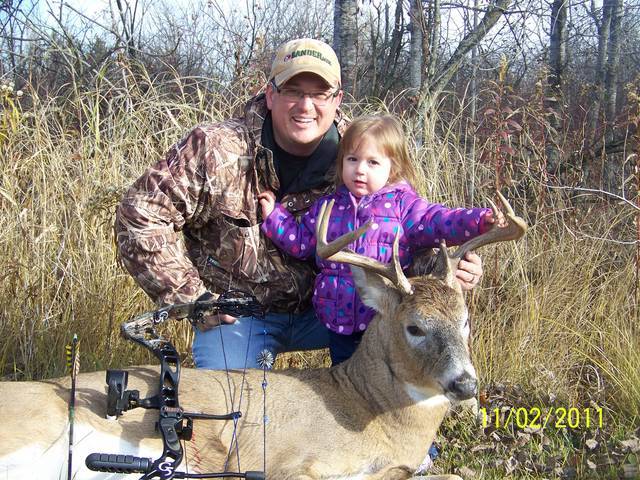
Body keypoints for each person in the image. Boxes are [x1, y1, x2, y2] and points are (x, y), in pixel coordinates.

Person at [114, 38, 485, 370]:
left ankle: (433, 422)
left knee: (393, 377)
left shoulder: (364, 152)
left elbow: (398, 235)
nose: (306, 106)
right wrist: (192, 299)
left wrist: (446, 267)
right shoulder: (214, 149)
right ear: (270, 94)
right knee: (232, 409)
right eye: (293, 90)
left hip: (340, 312)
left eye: (320, 94)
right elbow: (140, 215)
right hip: (240, 319)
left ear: (337, 100)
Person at [258, 114, 503, 365]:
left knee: (388, 373)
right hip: (338, 318)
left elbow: (440, 221)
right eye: (352, 159)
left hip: (384, 317)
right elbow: (302, 243)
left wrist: (479, 221)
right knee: (347, 376)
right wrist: (275, 216)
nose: (360, 169)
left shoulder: (403, 206)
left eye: (373, 162)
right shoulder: (328, 206)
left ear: (392, 168)